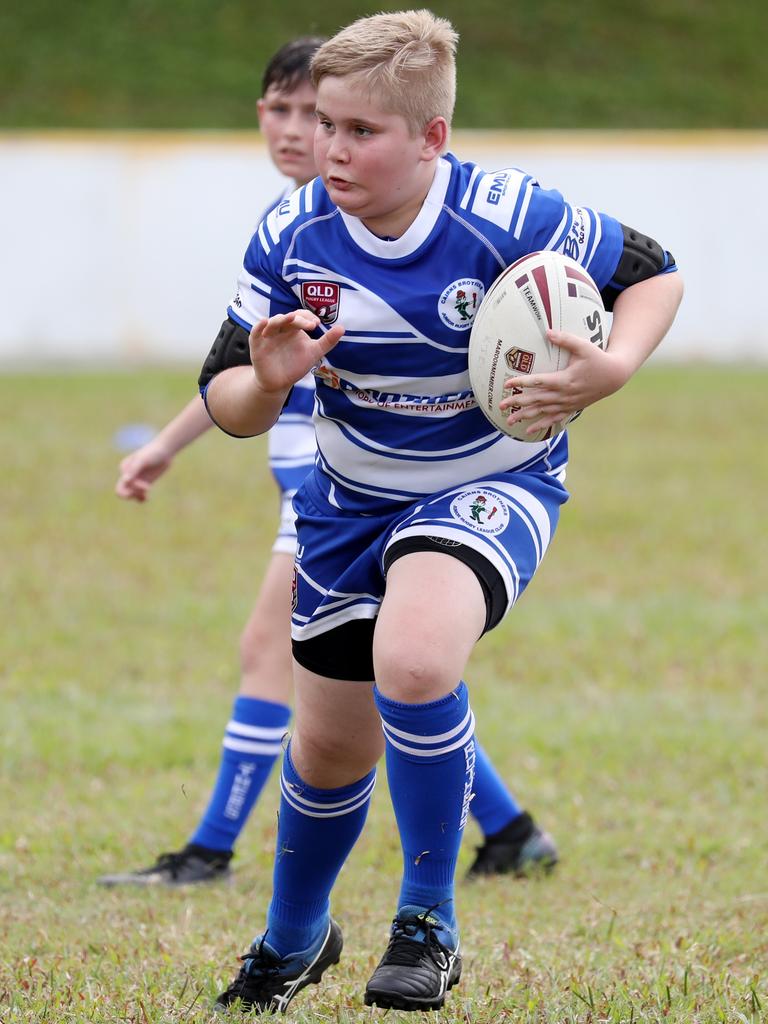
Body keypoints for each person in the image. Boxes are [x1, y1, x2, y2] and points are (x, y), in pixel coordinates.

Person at [199, 9, 682, 1013]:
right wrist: (269, 378)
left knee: (416, 658)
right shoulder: (293, 236)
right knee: (331, 744)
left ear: (432, 139)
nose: (331, 147)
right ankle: (294, 935)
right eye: (326, 124)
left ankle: (429, 919)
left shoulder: (510, 214)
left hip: (491, 481)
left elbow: (651, 271)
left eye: (361, 131)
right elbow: (228, 401)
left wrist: (613, 367)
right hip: (349, 498)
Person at [98, 36, 557, 890]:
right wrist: (165, 445)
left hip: (350, 494)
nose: (294, 130)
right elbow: (231, 376)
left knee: (287, 653)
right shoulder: (290, 239)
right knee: (384, 673)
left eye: (314, 115)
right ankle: (509, 824)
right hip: (328, 492)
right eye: (278, 109)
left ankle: (211, 849)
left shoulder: (403, 231)